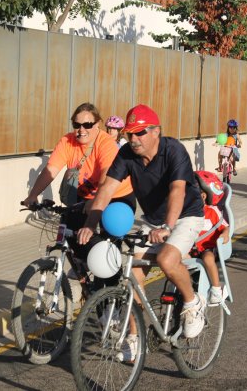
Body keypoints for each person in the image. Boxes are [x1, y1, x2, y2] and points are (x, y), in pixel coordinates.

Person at [77, 104, 205, 362]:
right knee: (134, 275)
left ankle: (193, 303)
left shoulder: (173, 150)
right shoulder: (126, 154)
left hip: (185, 215)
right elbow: (107, 189)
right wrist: (91, 223)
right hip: (153, 220)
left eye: (140, 133)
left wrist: (168, 227)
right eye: (129, 134)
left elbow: (178, 191)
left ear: (156, 131)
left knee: (168, 259)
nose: (133, 140)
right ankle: (134, 339)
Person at [22, 102, 135, 262]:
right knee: (70, 230)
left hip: (116, 196)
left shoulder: (106, 144)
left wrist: (95, 205)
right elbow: (50, 170)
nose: (81, 130)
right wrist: (32, 195)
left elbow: (106, 180)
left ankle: (110, 283)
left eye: (87, 125)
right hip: (86, 197)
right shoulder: (67, 141)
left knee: (108, 246)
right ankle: (85, 270)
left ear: (97, 124)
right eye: (77, 124)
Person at [192, 171, 230, 306]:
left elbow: (225, 226)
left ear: (203, 196)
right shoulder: (184, 213)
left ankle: (216, 288)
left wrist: (225, 234)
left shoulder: (212, 211)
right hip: (188, 248)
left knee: (207, 258)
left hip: (206, 248)